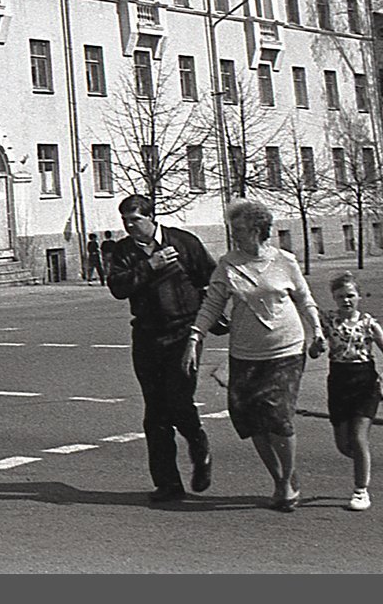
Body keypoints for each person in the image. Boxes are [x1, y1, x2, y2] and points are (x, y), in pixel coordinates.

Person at [187, 198, 327, 512]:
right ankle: (281, 479)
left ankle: (287, 481)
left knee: (278, 416)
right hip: (245, 354)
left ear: (258, 229)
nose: (234, 235)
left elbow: (305, 299)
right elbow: (212, 304)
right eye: (232, 229)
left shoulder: (284, 260)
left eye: (239, 229)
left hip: (286, 349)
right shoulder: (228, 264)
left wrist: (316, 330)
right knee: (252, 420)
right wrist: (195, 336)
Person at [107, 194, 217, 504]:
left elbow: (209, 278)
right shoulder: (124, 251)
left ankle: (198, 444)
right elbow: (118, 287)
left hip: (183, 333)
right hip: (146, 335)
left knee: (179, 401)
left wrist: (206, 320)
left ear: (151, 217)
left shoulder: (183, 242)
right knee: (154, 413)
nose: (130, 226)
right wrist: (149, 266)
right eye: (125, 221)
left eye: (135, 220)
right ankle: (168, 483)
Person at [320, 273, 383, 511]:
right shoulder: (328, 322)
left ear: (359, 297)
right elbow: (316, 349)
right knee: (343, 445)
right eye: (341, 296)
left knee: (358, 437)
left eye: (350, 296)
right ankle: (364, 465)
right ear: (334, 298)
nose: (346, 300)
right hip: (338, 381)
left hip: (365, 381)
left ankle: (360, 491)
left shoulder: (369, 324)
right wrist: (315, 346)